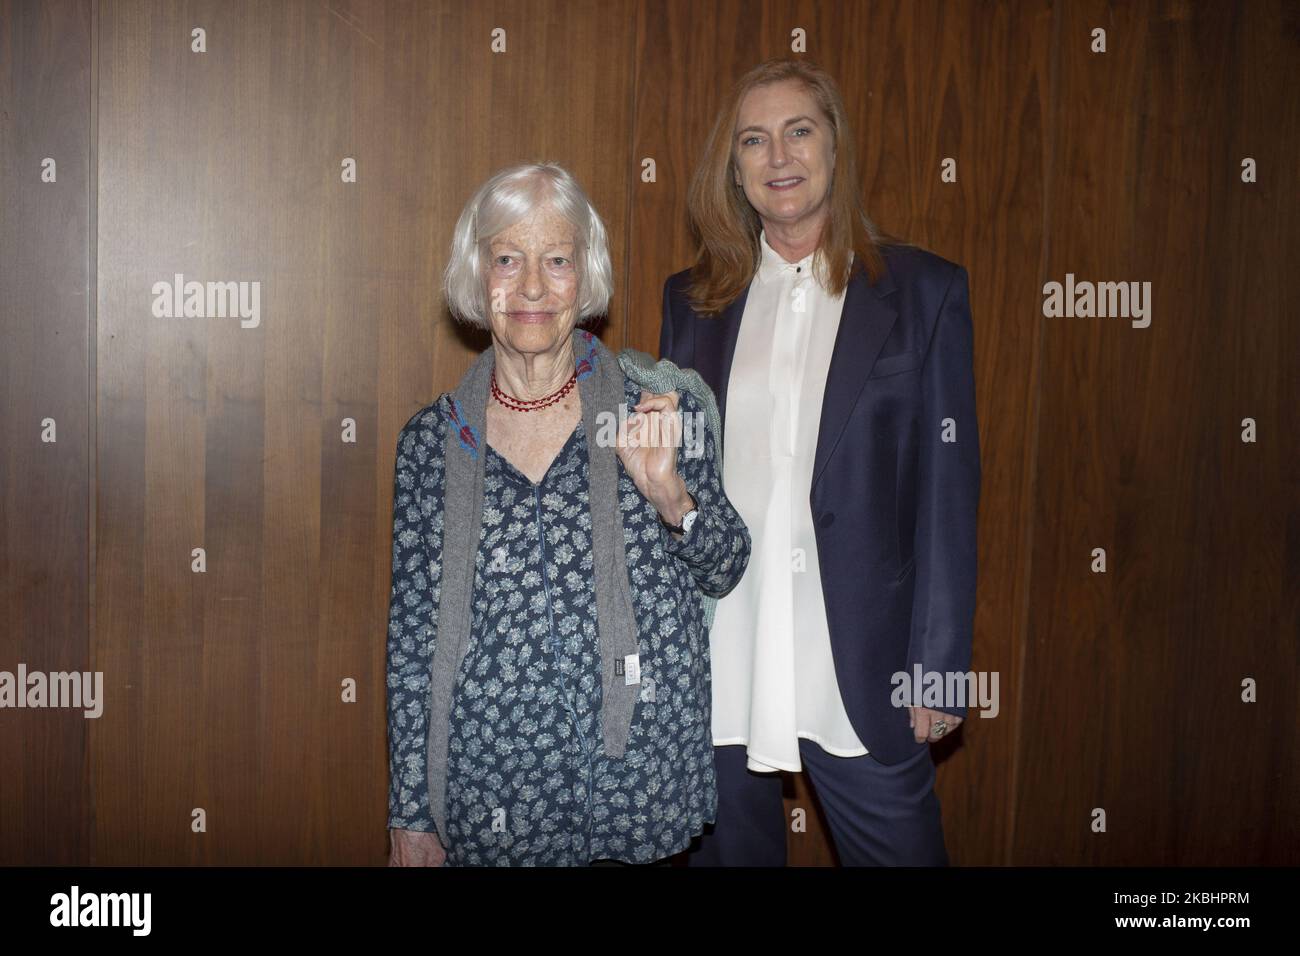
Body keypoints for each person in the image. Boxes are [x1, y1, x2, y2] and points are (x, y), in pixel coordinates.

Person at [660, 58, 981, 865]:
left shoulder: (924, 292)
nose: (779, 157)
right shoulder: (693, 300)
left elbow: (949, 494)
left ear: (835, 146)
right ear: (733, 170)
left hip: (862, 660)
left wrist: (937, 669)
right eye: (754, 141)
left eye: (798, 131)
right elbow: (672, 485)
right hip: (721, 648)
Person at [386, 162, 751, 866]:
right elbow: (411, 640)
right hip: (492, 791)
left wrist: (672, 495)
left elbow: (728, 564)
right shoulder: (433, 443)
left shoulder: (655, 406)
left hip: (635, 785)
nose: (531, 287)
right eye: (507, 259)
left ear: (586, 278)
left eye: (556, 260)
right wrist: (409, 813)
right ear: (476, 275)